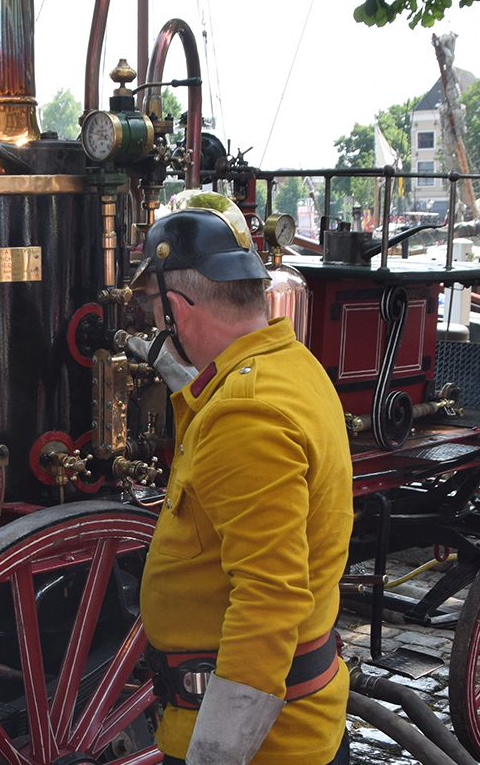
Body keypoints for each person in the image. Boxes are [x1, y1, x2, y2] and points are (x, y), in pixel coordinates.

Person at [132, 206, 353, 765]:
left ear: (178, 311)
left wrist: (218, 754)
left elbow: (268, 598)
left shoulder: (244, 414)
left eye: (156, 313)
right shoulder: (293, 366)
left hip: (261, 748)